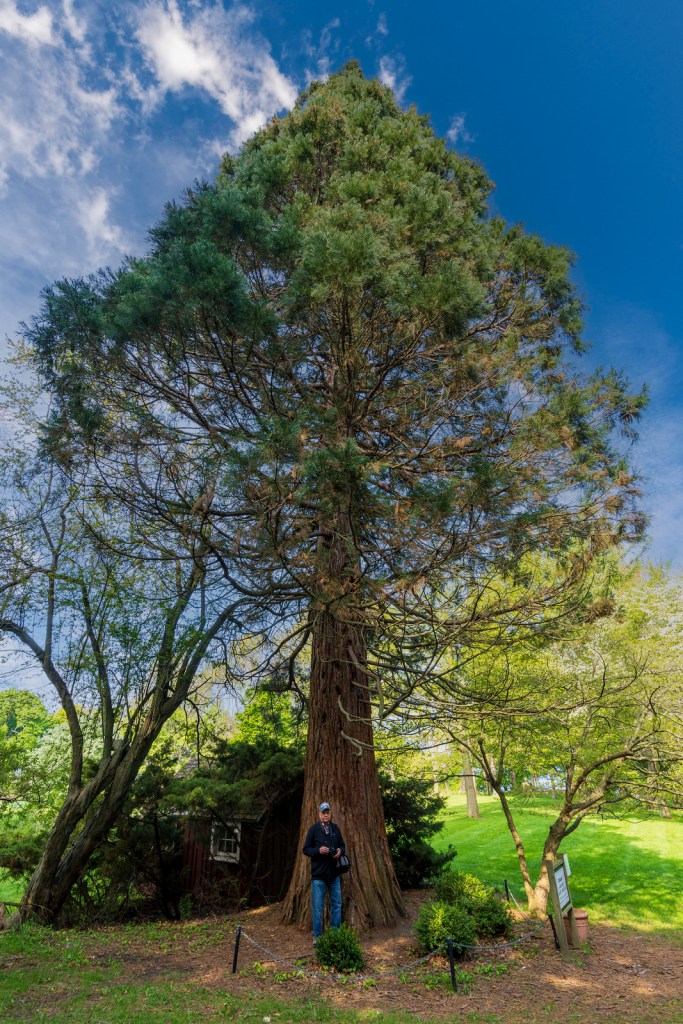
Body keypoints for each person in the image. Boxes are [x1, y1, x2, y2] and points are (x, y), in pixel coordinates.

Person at [303, 801, 345, 942]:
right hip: (318, 876)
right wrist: (318, 851)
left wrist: (339, 851)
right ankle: (317, 936)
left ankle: (335, 934)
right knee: (317, 907)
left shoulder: (335, 828)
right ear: (319, 814)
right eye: (323, 812)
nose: (325, 815)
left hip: (334, 874)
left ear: (330, 814)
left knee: (337, 904)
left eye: (327, 812)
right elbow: (306, 849)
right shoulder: (313, 830)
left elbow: (342, 845)